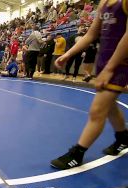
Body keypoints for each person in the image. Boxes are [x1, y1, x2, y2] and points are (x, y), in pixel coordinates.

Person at [51, 0, 128, 170]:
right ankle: (123, 138)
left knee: (97, 110)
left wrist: (110, 68)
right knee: (109, 105)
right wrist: (68, 54)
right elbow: (91, 35)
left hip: (120, 63)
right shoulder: (104, 3)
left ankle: (77, 153)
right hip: (105, 61)